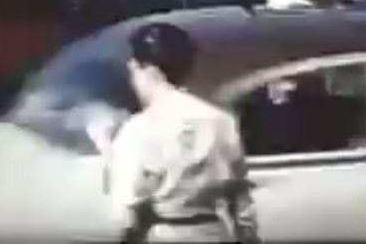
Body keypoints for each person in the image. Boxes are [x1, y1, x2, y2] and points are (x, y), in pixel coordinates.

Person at [88, 23, 260, 244]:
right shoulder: (221, 121)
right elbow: (240, 201)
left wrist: (107, 150)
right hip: (214, 233)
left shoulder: (139, 129)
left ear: (145, 70)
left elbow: (127, 213)